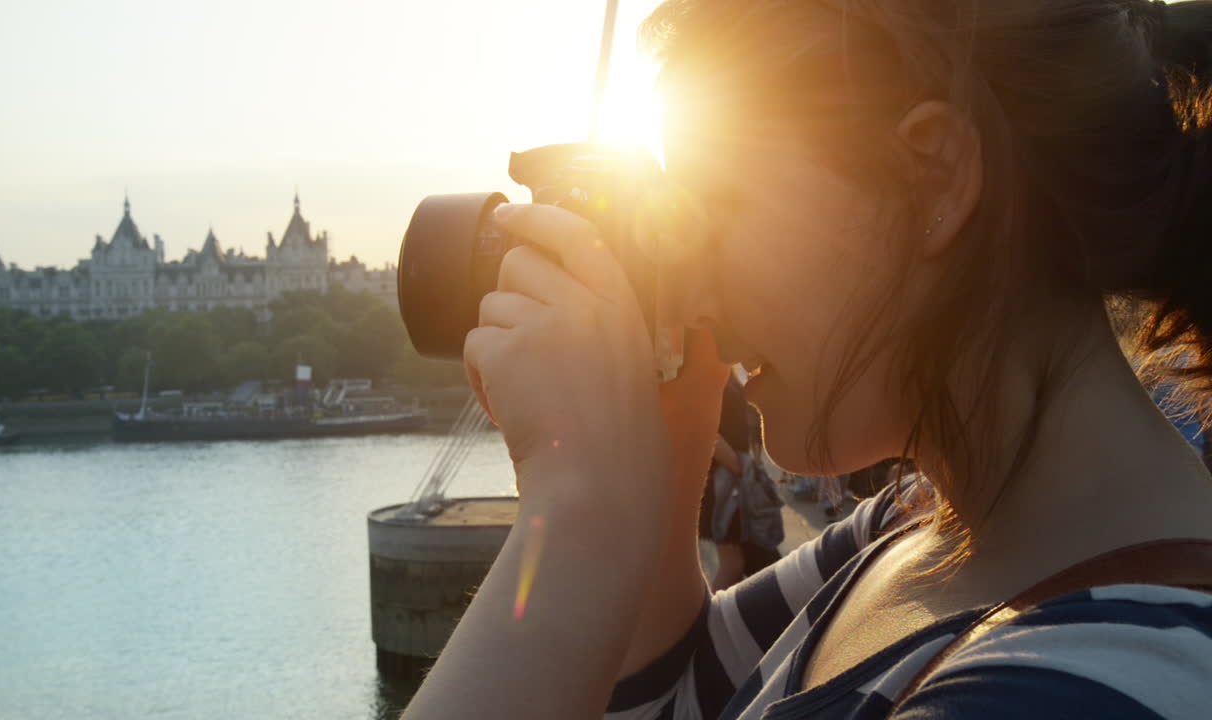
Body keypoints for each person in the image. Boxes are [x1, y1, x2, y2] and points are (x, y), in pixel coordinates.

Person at [402, 0, 1212, 718]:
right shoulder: (912, 528)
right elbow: (675, 695)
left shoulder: (1100, 681)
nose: (695, 287)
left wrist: (579, 508)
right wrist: (666, 441)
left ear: (930, 177)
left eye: (715, 207)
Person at [700, 377, 780, 590]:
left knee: (740, 561)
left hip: (731, 480)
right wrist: (741, 468)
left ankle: (714, 617)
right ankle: (708, 620)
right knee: (734, 563)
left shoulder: (726, 374)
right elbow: (708, 429)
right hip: (725, 483)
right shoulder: (709, 376)